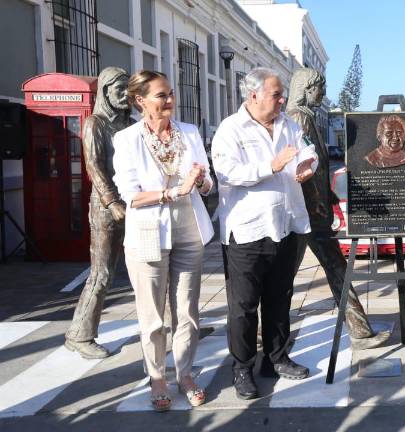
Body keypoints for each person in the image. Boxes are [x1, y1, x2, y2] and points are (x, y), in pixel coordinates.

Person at [212, 67, 317, 400]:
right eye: (276, 94)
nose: (282, 99)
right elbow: (227, 173)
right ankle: (242, 368)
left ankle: (276, 358)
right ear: (254, 95)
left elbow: (308, 150)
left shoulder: (289, 125)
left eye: (282, 94)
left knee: (279, 297)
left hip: (286, 225)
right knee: (243, 306)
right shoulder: (230, 129)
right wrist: (271, 166)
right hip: (248, 231)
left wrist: (307, 165)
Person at [113, 70, 214, 411]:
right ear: (140, 100)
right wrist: (173, 192)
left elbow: (208, 184)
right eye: (161, 95)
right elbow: (130, 195)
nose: (170, 100)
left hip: (189, 229)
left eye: (170, 93)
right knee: (153, 315)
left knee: (187, 311)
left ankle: (185, 374)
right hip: (147, 232)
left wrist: (199, 181)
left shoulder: (190, 132)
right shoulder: (127, 139)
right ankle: (157, 377)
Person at [286, 68, 389, 349]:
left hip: (312, 209)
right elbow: (302, 167)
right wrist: (318, 200)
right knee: (329, 268)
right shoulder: (299, 117)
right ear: (307, 89)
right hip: (309, 212)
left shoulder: (305, 117)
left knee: (327, 269)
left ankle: (359, 330)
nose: (323, 93)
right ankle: (359, 331)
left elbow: (317, 167)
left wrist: (328, 193)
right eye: (320, 87)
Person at [64, 67, 132, 359]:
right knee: (102, 273)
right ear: (105, 92)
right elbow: (94, 166)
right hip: (107, 208)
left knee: (153, 267)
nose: (126, 94)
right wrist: (112, 201)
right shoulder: (95, 125)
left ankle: (174, 326)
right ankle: (80, 334)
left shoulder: (130, 124)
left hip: (135, 202)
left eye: (128, 88)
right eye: (119, 89)